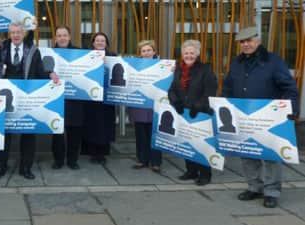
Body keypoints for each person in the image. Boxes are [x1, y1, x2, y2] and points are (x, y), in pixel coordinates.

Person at [223, 26, 299, 208]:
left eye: (249, 40)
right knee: (248, 153)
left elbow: (289, 87)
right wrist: (223, 106)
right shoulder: (237, 62)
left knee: (270, 155)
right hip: (242, 116)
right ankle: (254, 187)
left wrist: (292, 110)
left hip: (267, 118)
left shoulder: (273, 62)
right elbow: (228, 85)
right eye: (242, 42)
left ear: (258, 41)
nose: (246, 44)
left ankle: (272, 191)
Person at [0, 22, 58, 180]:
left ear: (24, 33)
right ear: (9, 34)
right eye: (13, 32)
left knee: (28, 134)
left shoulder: (33, 50)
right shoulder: (1, 49)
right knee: (4, 134)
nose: (16, 35)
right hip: (6, 98)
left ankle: (26, 168)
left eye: (19, 32)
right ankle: (0, 166)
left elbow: (40, 70)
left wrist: (50, 75)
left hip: (26, 97)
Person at [168, 39, 217, 186]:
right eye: (186, 53)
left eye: (192, 52)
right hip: (183, 112)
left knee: (200, 144)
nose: (189, 55)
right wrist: (175, 103)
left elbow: (210, 91)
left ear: (197, 54)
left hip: (200, 113)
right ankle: (191, 171)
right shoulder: (178, 69)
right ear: (182, 54)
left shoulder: (206, 70)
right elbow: (172, 89)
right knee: (187, 143)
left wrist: (198, 106)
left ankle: (205, 174)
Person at [51, 25, 85, 170]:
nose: (62, 38)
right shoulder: (49, 53)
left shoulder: (79, 53)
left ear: (69, 37)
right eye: (59, 35)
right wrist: (48, 73)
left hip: (75, 98)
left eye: (65, 35)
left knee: (75, 131)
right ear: (55, 38)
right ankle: (58, 160)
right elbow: (41, 70)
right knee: (57, 131)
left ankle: (72, 160)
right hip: (55, 98)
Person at [128, 40, 162, 172]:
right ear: (140, 53)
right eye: (143, 51)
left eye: (149, 50)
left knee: (154, 134)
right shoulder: (135, 66)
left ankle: (156, 162)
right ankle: (142, 159)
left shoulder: (162, 66)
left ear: (154, 51)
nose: (146, 53)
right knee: (140, 134)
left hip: (155, 105)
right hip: (139, 105)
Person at [82, 32, 115, 165]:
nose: (100, 43)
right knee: (92, 125)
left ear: (106, 43)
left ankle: (102, 153)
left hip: (107, 97)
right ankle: (93, 153)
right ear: (93, 43)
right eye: (97, 40)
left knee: (105, 125)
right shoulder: (87, 57)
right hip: (91, 97)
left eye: (102, 40)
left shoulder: (113, 57)